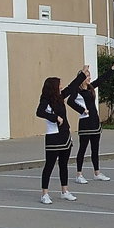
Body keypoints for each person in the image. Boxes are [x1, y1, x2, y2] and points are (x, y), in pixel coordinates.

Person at [35, 67, 86, 204]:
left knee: (64, 164)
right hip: (53, 137)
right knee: (49, 165)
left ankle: (65, 191)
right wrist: (54, 117)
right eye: (59, 84)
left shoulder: (60, 97)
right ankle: (44, 194)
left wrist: (82, 74)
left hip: (65, 135)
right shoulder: (45, 99)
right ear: (53, 87)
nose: (61, 86)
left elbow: (72, 86)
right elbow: (39, 112)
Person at [67, 60, 114, 183]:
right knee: (82, 149)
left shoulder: (91, 87)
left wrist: (112, 69)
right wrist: (82, 110)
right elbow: (69, 102)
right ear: (81, 78)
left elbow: (101, 79)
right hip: (85, 123)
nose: (89, 78)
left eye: (89, 76)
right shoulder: (77, 91)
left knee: (95, 148)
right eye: (87, 76)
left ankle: (97, 172)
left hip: (94, 122)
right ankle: (79, 174)